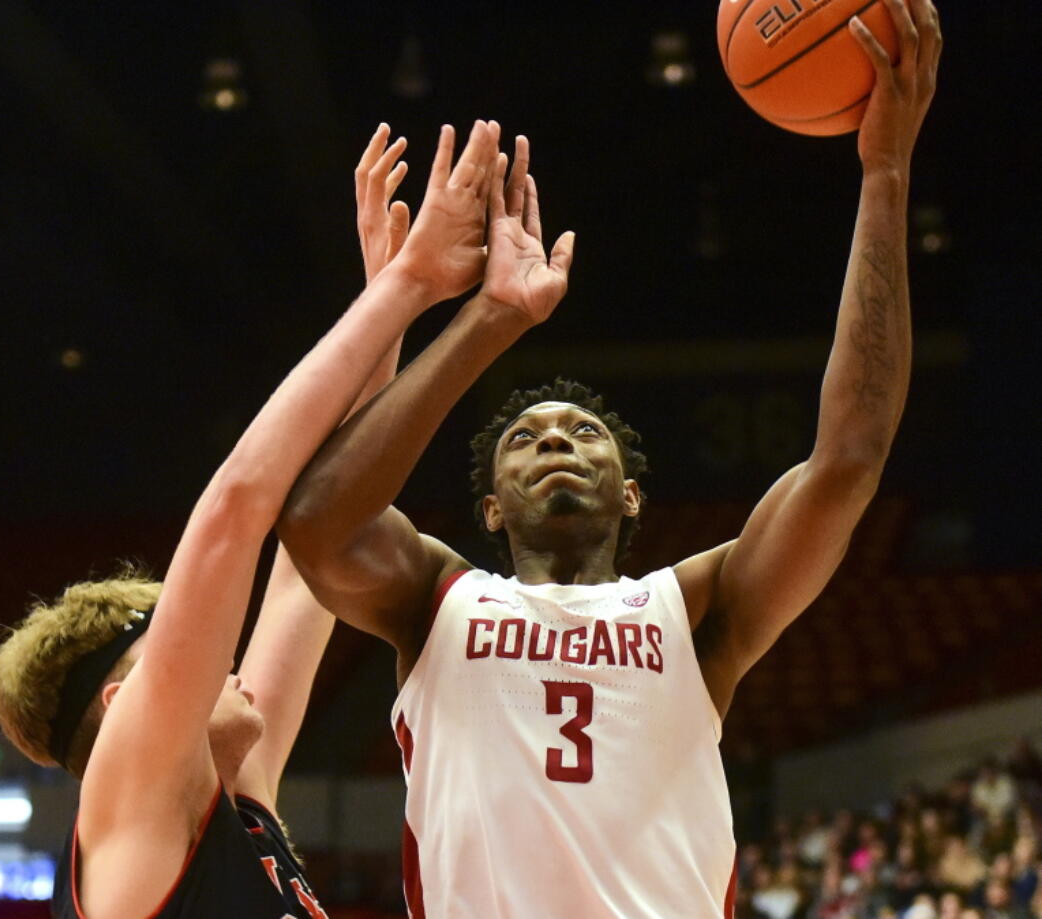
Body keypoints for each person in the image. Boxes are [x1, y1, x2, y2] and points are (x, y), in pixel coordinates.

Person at [278, 3, 940, 916]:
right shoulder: (435, 600)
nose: (555, 438)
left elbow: (850, 456)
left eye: (582, 433)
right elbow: (315, 521)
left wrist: (885, 172)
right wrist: (488, 321)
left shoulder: (699, 609)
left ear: (631, 495)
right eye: (524, 438)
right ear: (492, 510)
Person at [0, 118, 507, 919]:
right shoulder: (132, 794)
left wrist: (389, 306)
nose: (223, 660)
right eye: (180, 651)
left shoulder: (239, 803)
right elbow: (236, 507)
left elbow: (317, 546)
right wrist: (411, 286)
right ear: (123, 700)